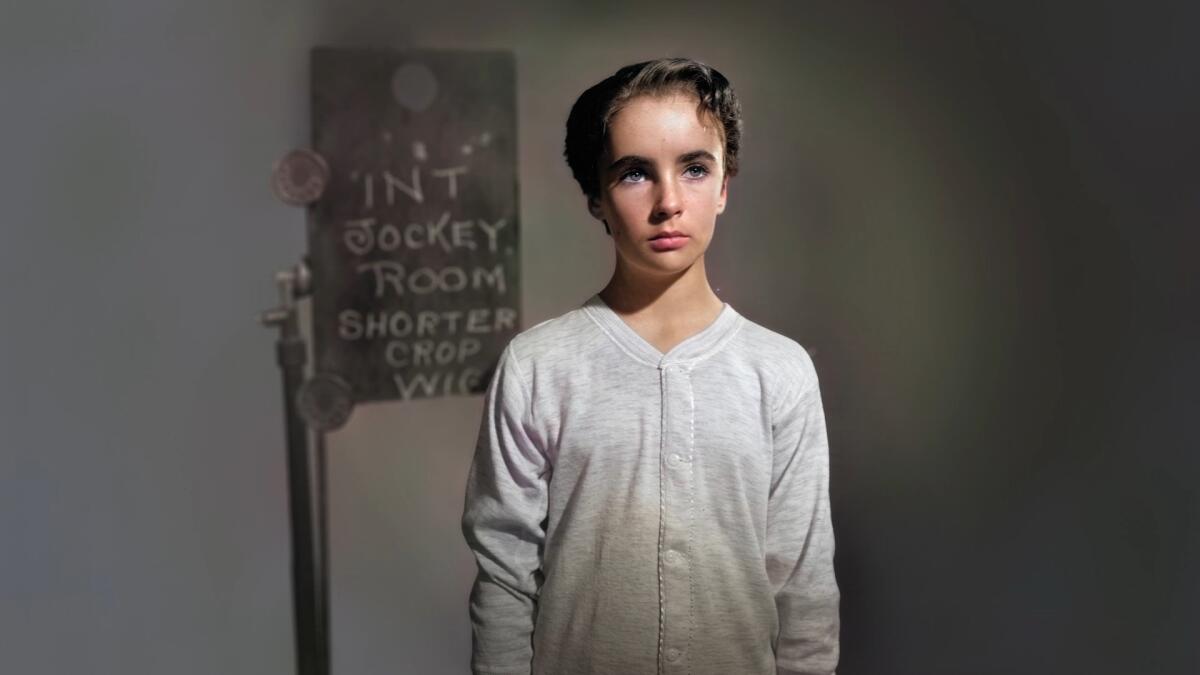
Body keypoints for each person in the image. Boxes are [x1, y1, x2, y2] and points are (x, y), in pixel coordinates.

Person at [461, 57, 840, 675]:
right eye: (635, 174)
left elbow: (804, 586)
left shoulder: (781, 371)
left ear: (724, 186)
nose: (669, 202)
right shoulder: (537, 367)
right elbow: (504, 576)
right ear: (595, 198)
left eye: (694, 168)